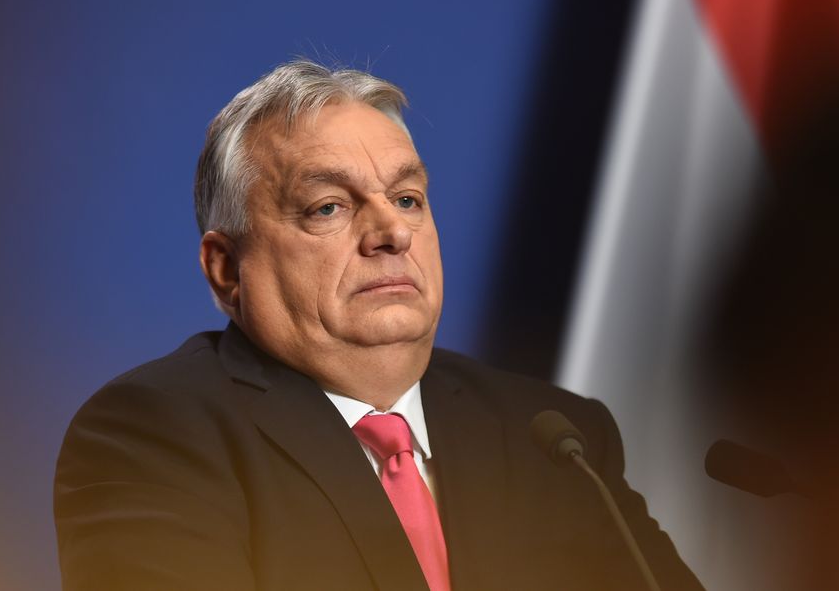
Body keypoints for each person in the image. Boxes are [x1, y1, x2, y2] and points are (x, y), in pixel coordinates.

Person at [54, 60, 703, 591]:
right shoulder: (154, 434)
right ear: (227, 269)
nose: (392, 231)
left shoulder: (558, 440)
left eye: (407, 198)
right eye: (328, 206)